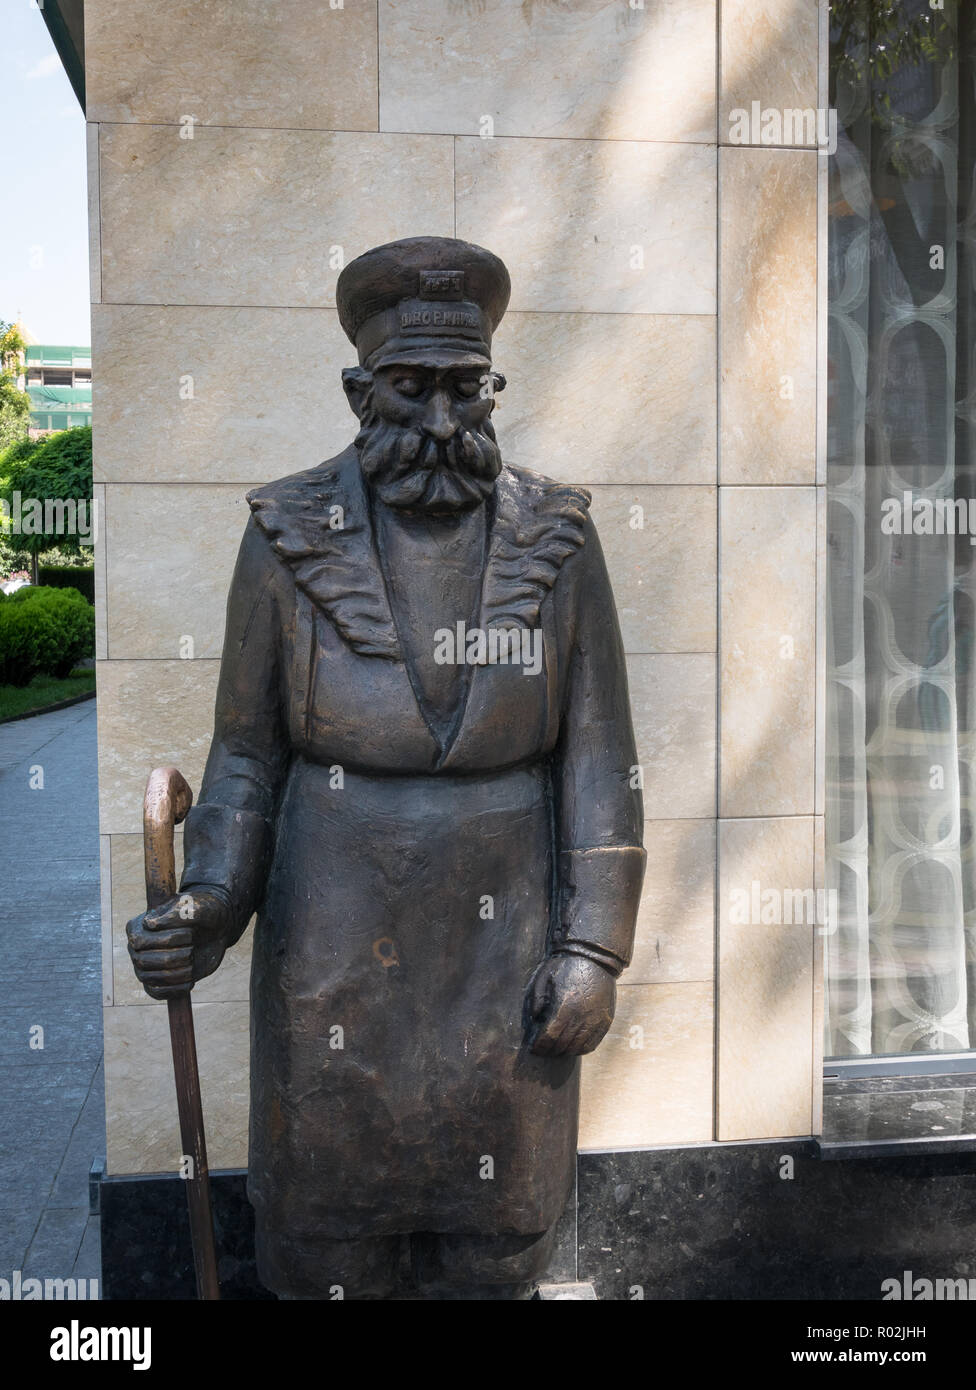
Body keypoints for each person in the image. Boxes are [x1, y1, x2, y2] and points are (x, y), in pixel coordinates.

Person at [127, 236, 646, 1300]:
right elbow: (243, 759)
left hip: (505, 971)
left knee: (497, 1242)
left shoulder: (560, 537)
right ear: (360, 391)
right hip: (331, 960)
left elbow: (603, 759)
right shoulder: (282, 537)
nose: (444, 421)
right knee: (326, 1239)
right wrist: (210, 903)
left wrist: (593, 947)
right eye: (412, 389)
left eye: (468, 388)